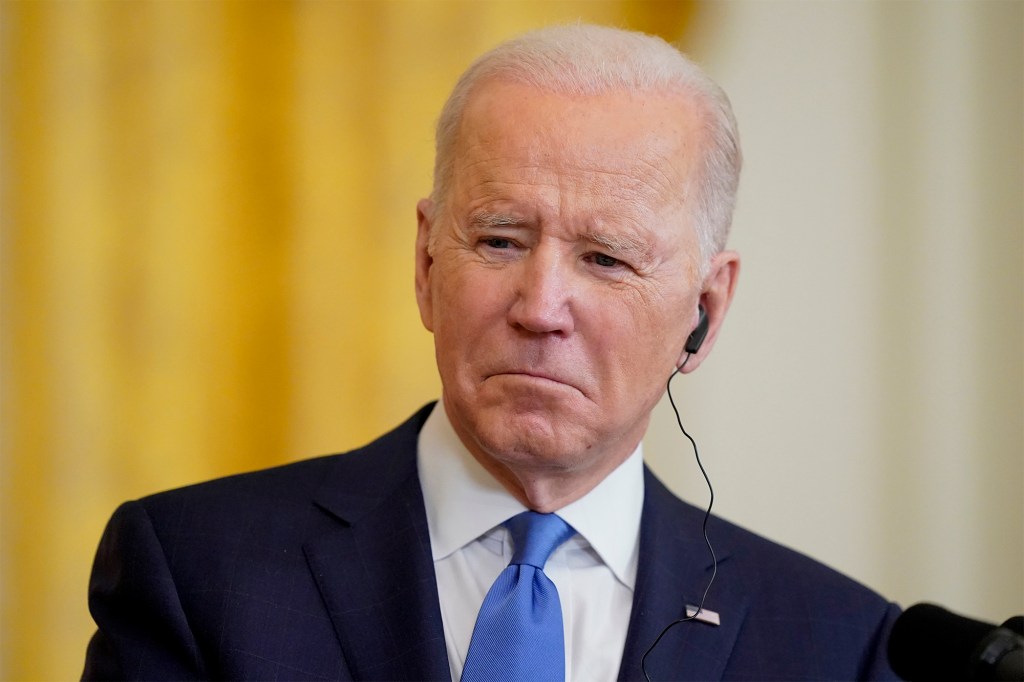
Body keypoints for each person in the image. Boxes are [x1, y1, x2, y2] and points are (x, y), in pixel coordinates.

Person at [83, 24, 899, 681]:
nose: (541, 309)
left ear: (706, 311)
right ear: (427, 263)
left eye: (606, 259)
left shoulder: (844, 645)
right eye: (501, 240)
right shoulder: (196, 572)